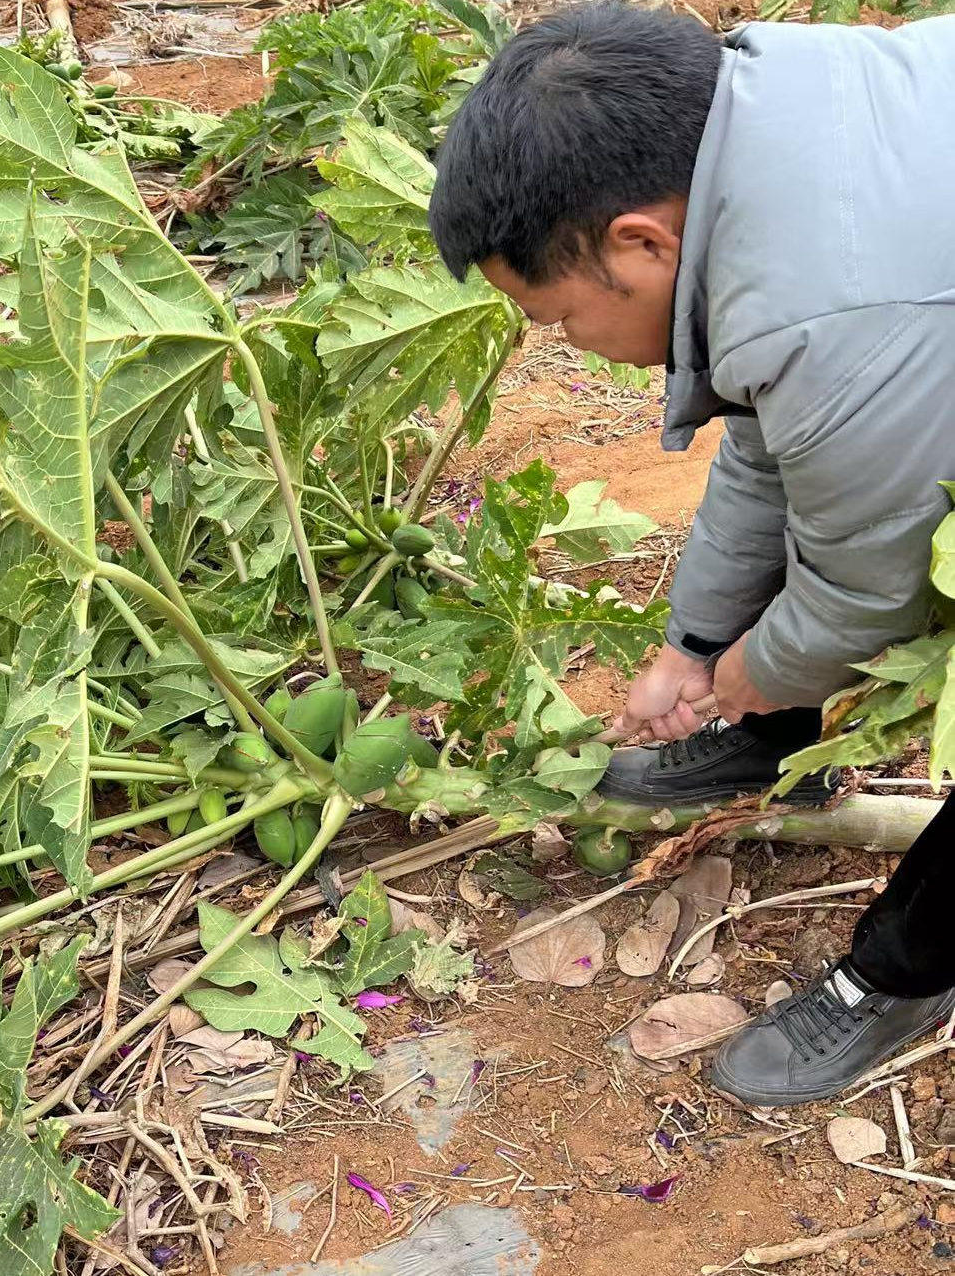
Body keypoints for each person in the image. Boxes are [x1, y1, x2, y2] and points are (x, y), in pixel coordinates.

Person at [428, 1, 955, 1106]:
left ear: (640, 242)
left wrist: (749, 675)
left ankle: (900, 973)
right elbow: (771, 453)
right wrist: (695, 646)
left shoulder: (837, 317)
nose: (568, 344)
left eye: (555, 320)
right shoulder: (767, 121)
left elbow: (869, 593)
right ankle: (762, 750)